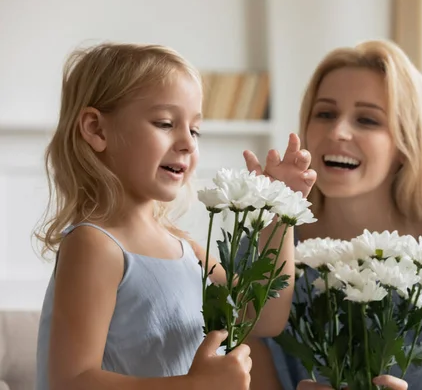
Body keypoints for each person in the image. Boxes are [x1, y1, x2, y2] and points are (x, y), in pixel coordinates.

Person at [242, 39, 422, 390]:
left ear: (406, 143)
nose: (338, 132)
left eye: (367, 119)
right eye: (325, 114)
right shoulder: (263, 251)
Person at [34, 42, 316, 390]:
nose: (187, 142)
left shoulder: (184, 247)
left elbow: (261, 317)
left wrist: (280, 211)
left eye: (195, 130)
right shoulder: (94, 244)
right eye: (165, 123)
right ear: (96, 129)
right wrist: (194, 385)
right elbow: (72, 381)